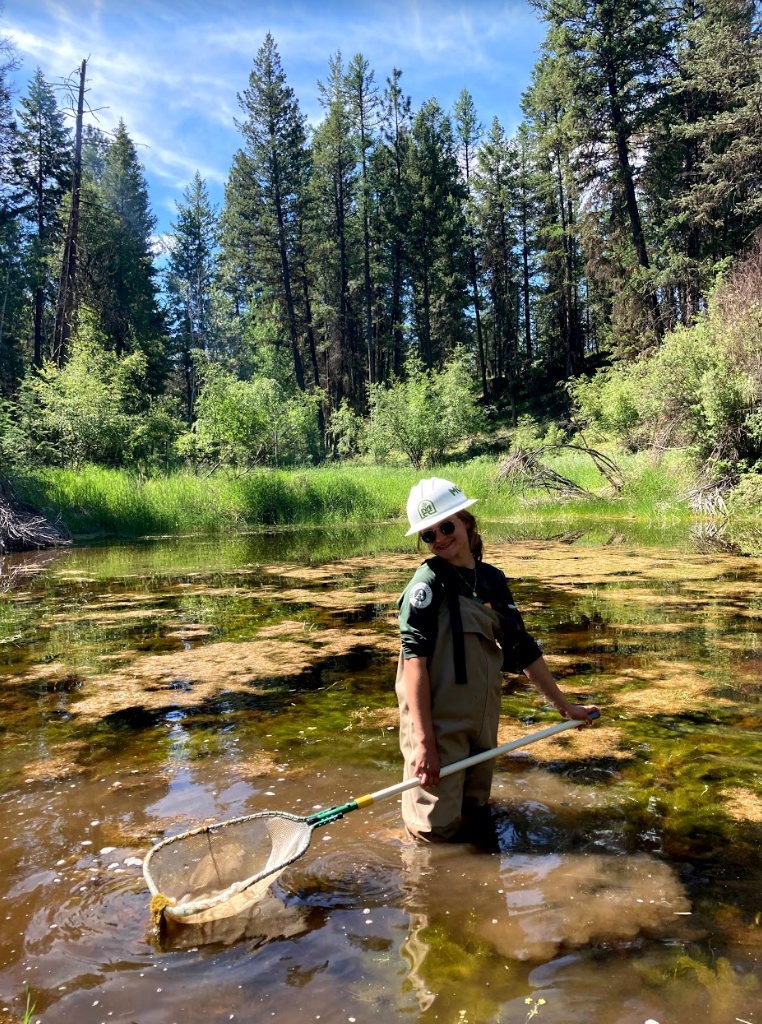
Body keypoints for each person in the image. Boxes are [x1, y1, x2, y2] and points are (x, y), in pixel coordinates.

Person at [396, 477, 599, 843]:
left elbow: (522, 650)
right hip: (438, 727)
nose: (439, 538)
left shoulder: (492, 581)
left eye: (445, 526)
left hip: (483, 721)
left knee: (475, 815)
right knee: (434, 833)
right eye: (428, 534)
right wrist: (424, 744)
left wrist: (566, 708)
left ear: (466, 521)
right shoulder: (425, 586)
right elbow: (415, 665)